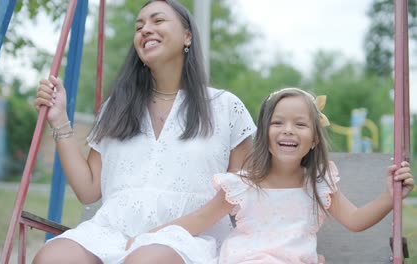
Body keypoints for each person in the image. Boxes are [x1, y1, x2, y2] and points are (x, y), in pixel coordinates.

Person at [32, 0, 256, 263]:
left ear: (187, 35)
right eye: (139, 27)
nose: (146, 29)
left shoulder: (225, 107)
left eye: (158, 21)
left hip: (192, 237)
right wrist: (59, 119)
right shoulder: (118, 107)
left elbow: (236, 193)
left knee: (146, 260)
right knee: (53, 257)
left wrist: (158, 234)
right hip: (112, 233)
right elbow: (88, 189)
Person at [126, 87, 415, 264]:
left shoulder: (317, 184)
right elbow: (197, 220)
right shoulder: (242, 185)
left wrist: (390, 197)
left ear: (314, 139)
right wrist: (146, 237)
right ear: (265, 134)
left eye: (300, 124)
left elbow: (355, 220)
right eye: (278, 123)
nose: (288, 129)